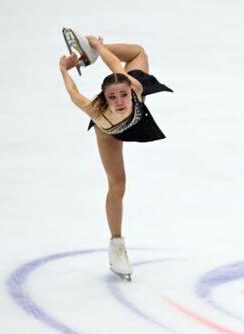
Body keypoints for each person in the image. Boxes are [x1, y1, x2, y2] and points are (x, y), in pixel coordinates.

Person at [59, 31, 172, 280]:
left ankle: (91, 51)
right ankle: (117, 246)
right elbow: (73, 93)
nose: (120, 101)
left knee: (138, 51)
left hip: (137, 119)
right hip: (108, 134)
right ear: (105, 99)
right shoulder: (96, 112)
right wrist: (63, 70)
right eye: (112, 97)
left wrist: (99, 46)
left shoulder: (135, 88)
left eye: (122, 95)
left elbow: (113, 64)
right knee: (118, 185)